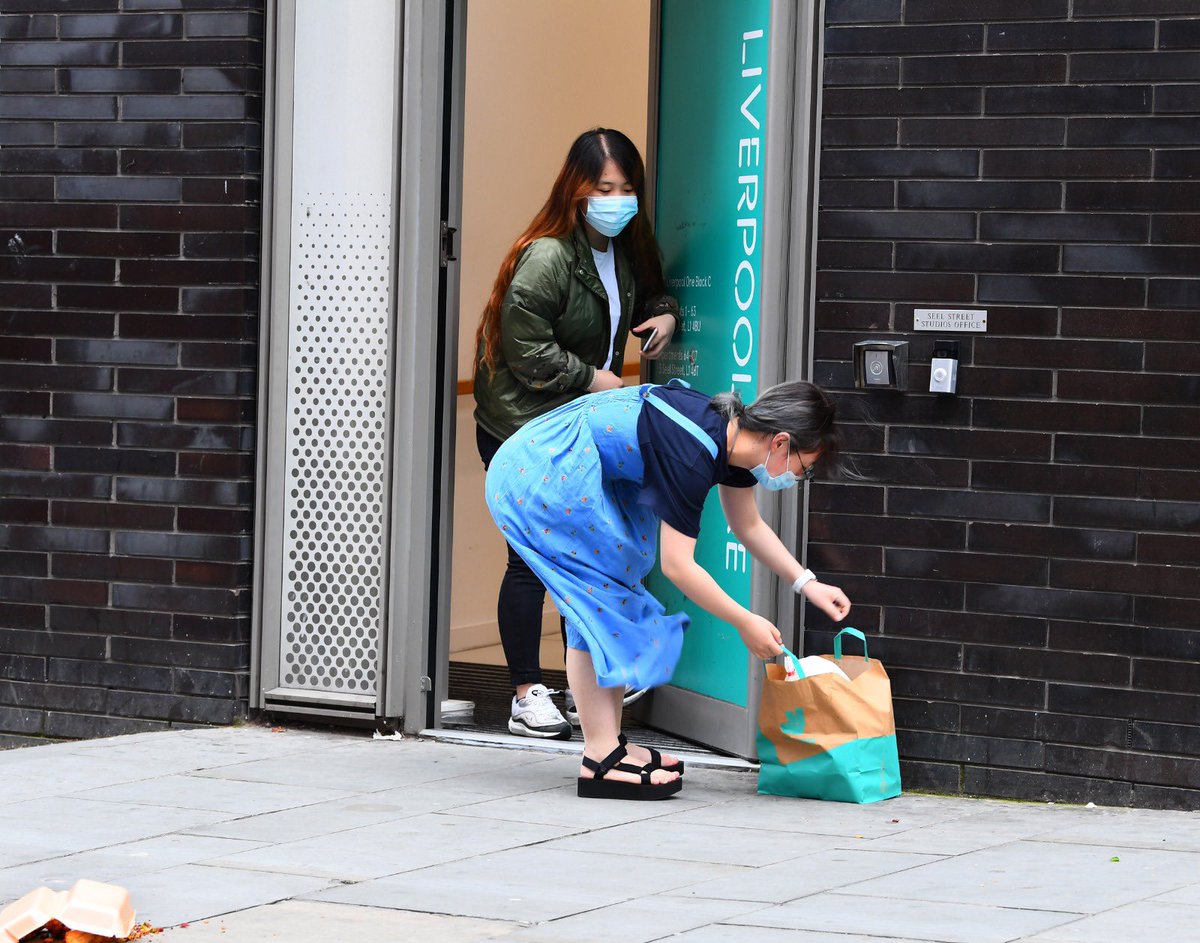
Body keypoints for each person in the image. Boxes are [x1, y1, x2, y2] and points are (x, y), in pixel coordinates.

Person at [485, 379, 853, 799]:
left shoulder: (731, 438)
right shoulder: (692, 453)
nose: (797, 478)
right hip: (544, 472)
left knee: (610, 595)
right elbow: (678, 566)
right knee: (600, 601)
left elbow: (747, 525)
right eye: (803, 468)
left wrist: (808, 584)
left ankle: (610, 745)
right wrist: (744, 621)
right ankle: (599, 758)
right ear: (781, 443)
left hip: (568, 466)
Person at [473, 128, 681, 740]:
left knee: (586, 555)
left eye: (626, 188)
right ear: (576, 189)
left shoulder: (626, 245)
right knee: (533, 561)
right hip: (520, 425)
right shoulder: (548, 255)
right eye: (603, 188)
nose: (616, 199)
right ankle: (524, 692)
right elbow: (524, 349)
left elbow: (652, 287)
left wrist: (666, 311)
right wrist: (593, 378)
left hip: (577, 423)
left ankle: (578, 685)